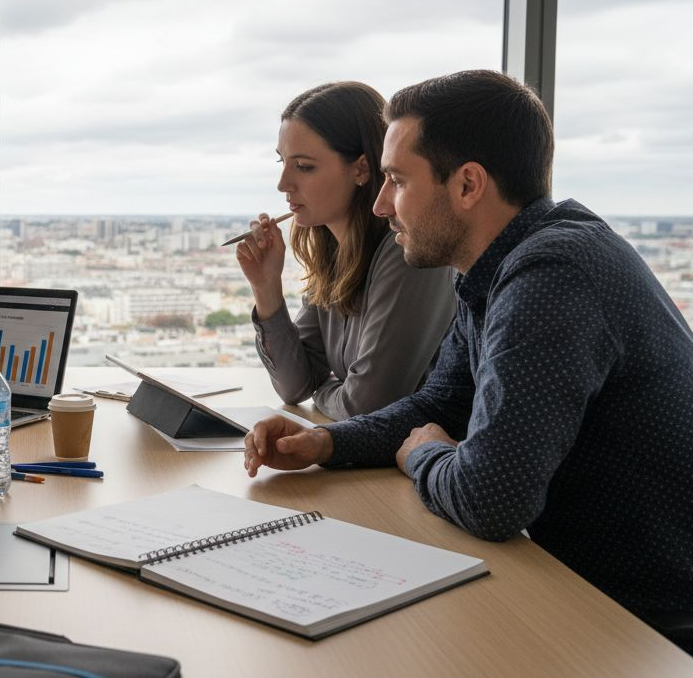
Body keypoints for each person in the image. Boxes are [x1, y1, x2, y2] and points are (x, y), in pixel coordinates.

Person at [243, 69, 693, 651]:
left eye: (397, 182)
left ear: (468, 185)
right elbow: (439, 403)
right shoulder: (501, 269)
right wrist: (327, 444)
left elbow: (491, 499)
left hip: (644, 623)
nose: (380, 205)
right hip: (580, 586)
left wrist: (424, 453)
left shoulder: (551, 275)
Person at [236, 82, 455, 419]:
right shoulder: (336, 256)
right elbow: (295, 386)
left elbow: (364, 406)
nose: (283, 184)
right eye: (282, 162)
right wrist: (266, 289)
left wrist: (325, 390)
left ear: (362, 169)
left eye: (304, 166)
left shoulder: (405, 253)